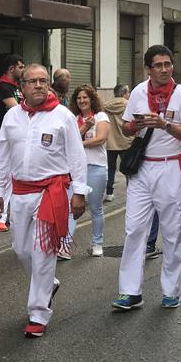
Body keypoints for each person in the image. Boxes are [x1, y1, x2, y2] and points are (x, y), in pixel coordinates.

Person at [0, 65, 88, 337]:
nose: (39, 85)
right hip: (20, 193)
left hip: (51, 193)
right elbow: (1, 156)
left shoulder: (63, 116)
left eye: (44, 80)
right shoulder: (12, 117)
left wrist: (79, 192)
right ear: (22, 88)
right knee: (21, 250)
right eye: (33, 81)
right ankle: (49, 283)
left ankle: (38, 313)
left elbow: (77, 157)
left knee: (43, 252)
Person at [112, 45, 181, 312]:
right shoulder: (139, 92)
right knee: (134, 230)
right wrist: (137, 125)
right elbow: (128, 127)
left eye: (168, 64)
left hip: (171, 167)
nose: (164, 69)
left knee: (172, 232)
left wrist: (165, 125)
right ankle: (130, 292)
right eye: (158, 65)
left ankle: (171, 291)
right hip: (141, 170)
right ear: (148, 69)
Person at [71, 86, 110, 255]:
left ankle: (97, 244)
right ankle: (65, 245)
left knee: (95, 207)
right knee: (70, 208)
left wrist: (79, 143)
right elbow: (68, 142)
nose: (82, 101)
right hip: (76, 168)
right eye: (79, 98)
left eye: (85, 97)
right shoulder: (73, 119)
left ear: (91, 99)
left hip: (96, 167)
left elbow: (100, 139)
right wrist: (83, 130)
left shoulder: (101, 116)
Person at [0, 54, 26, 232]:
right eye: (20, 67)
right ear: (11, 68)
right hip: (5, 134)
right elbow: (17, 108)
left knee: (16, 176)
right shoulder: (3, 86)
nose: (22, 70)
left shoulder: (18, 87)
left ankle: (12, 215)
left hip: (19, 135)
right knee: (4, 176)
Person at [103, 84, 132, 200]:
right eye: (128, 92)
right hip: (126, 142)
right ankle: (131, 192)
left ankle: (109, 193)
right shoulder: (128, 105)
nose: (129, 94)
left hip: (111, 142)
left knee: (111, 168)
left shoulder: (106, 106)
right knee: (128, 169)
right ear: (124, 93)